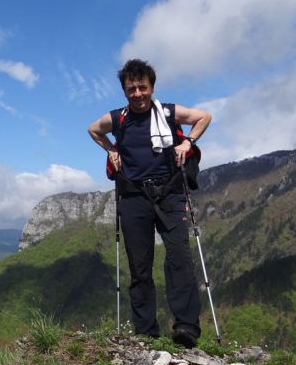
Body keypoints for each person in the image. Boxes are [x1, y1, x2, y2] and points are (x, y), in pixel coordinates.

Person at [88, 59, 212, 348]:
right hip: (133, 197)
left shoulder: (168, 112)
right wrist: (111, 149)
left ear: (152, 87)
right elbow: (93, 129)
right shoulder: (119, 118)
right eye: (131, 89)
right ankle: (146, 332)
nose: (138, 94)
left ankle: (186, 328)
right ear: (124, 91)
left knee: (179, 257)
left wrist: (188, 142)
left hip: (170, 193)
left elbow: (204, 116)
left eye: (142, 87)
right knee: (139, 266)